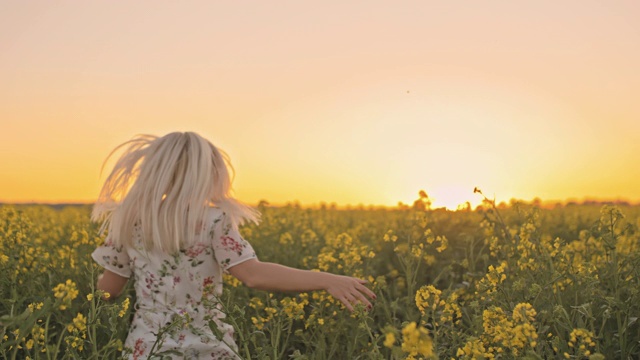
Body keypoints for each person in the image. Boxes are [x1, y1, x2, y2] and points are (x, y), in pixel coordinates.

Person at [91, 132, 376, 359]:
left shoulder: (128, 221)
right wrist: (326, 279)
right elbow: (254, 275)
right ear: (205, 174)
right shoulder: (215, 220)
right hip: (207, 347)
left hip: (146, 348)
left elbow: (107, 291)